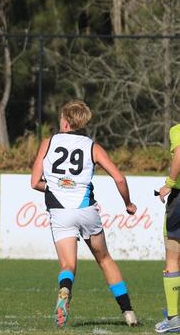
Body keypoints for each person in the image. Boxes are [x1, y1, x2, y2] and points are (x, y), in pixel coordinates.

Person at [30, 100, 138, 328]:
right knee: (105, 259)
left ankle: (65, 291)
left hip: (60, 212)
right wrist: (128, 203)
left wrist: (59, 186)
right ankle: (128, 313)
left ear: (66, 121)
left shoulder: (48, 143)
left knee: (68, 265)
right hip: (86, 209)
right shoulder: (92, 147)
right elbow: (119, 178)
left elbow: (35, 182)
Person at [155, 124, 180, 333]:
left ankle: (174, 319)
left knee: (173, 259)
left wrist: (169, 183)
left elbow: (179, 153)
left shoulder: (177, 130)